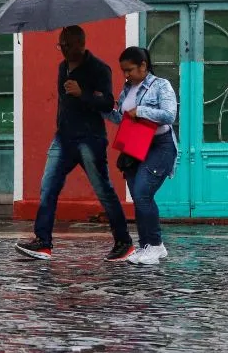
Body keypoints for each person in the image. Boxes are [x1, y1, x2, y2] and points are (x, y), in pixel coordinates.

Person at [16, 25, 134, 262]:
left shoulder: (99, 69)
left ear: (81, 44)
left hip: (90, 139)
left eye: (68, 45)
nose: (63, 50)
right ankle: (43, 242)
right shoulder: (62, 67)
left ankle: (124, 242)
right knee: (48, 187)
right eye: (60, 45)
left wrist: (83, 94)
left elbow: (107, 103)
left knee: (103, 191)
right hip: (63, 138)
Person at [105, 46, 179, 265]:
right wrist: (104, 108)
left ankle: (155, 245)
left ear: (143, 66)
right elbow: (123, 119)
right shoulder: (127, 89)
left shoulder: (161, 85)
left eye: (129, 70)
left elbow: (169, 115)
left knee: (142, 193)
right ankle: (147, 245)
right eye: (123, 71)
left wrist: (141, 111)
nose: (126, 75)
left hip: (160, 146)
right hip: (135, 146)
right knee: (138, 198)